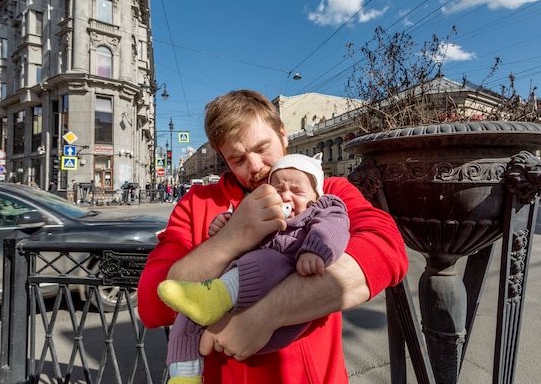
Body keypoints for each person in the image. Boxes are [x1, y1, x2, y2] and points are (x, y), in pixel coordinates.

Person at [137, 89, 408, 384]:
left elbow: (386, 249)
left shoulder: (324, 190)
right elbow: (152, 304)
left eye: (263, 147)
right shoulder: (198, 202)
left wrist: (264, 316)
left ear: (283, 134)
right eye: (237, 159)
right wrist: (231, 238)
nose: (254, 167)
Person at [158, 154, 350, 384]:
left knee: (268, 259)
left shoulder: (323, 207)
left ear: (315, 197)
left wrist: (315, 251)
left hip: (280, 312)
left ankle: (215, 296)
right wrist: (226, 227)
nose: (286, 196)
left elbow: (334, 228)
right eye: (278, 190)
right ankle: (183, 378)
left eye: (297, 192)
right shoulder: (260, 212)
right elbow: (152, 308)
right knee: (186, 319)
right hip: (240, 297)